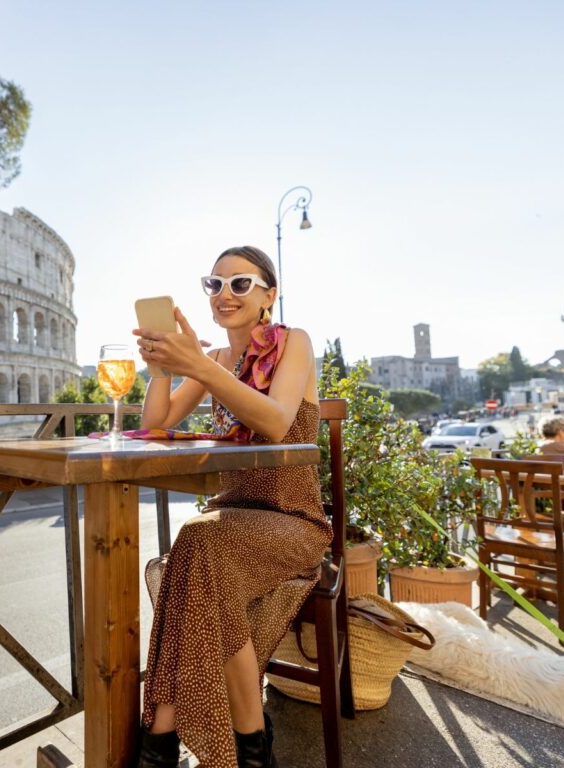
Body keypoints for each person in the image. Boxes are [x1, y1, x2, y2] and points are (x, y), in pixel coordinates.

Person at [132, 245, 329, 768]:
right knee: (201, 545)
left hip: (293, 520)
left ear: (269, 293)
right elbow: (157, 424)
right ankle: (250, 745)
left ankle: (161, 740)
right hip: (230, 519)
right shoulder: (217, 361)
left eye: (240, 284)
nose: (224, 295)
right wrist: (161, 369)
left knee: (195, 546)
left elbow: (275, 422)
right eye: (214, 284)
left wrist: (199, 364)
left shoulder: (294, 344)